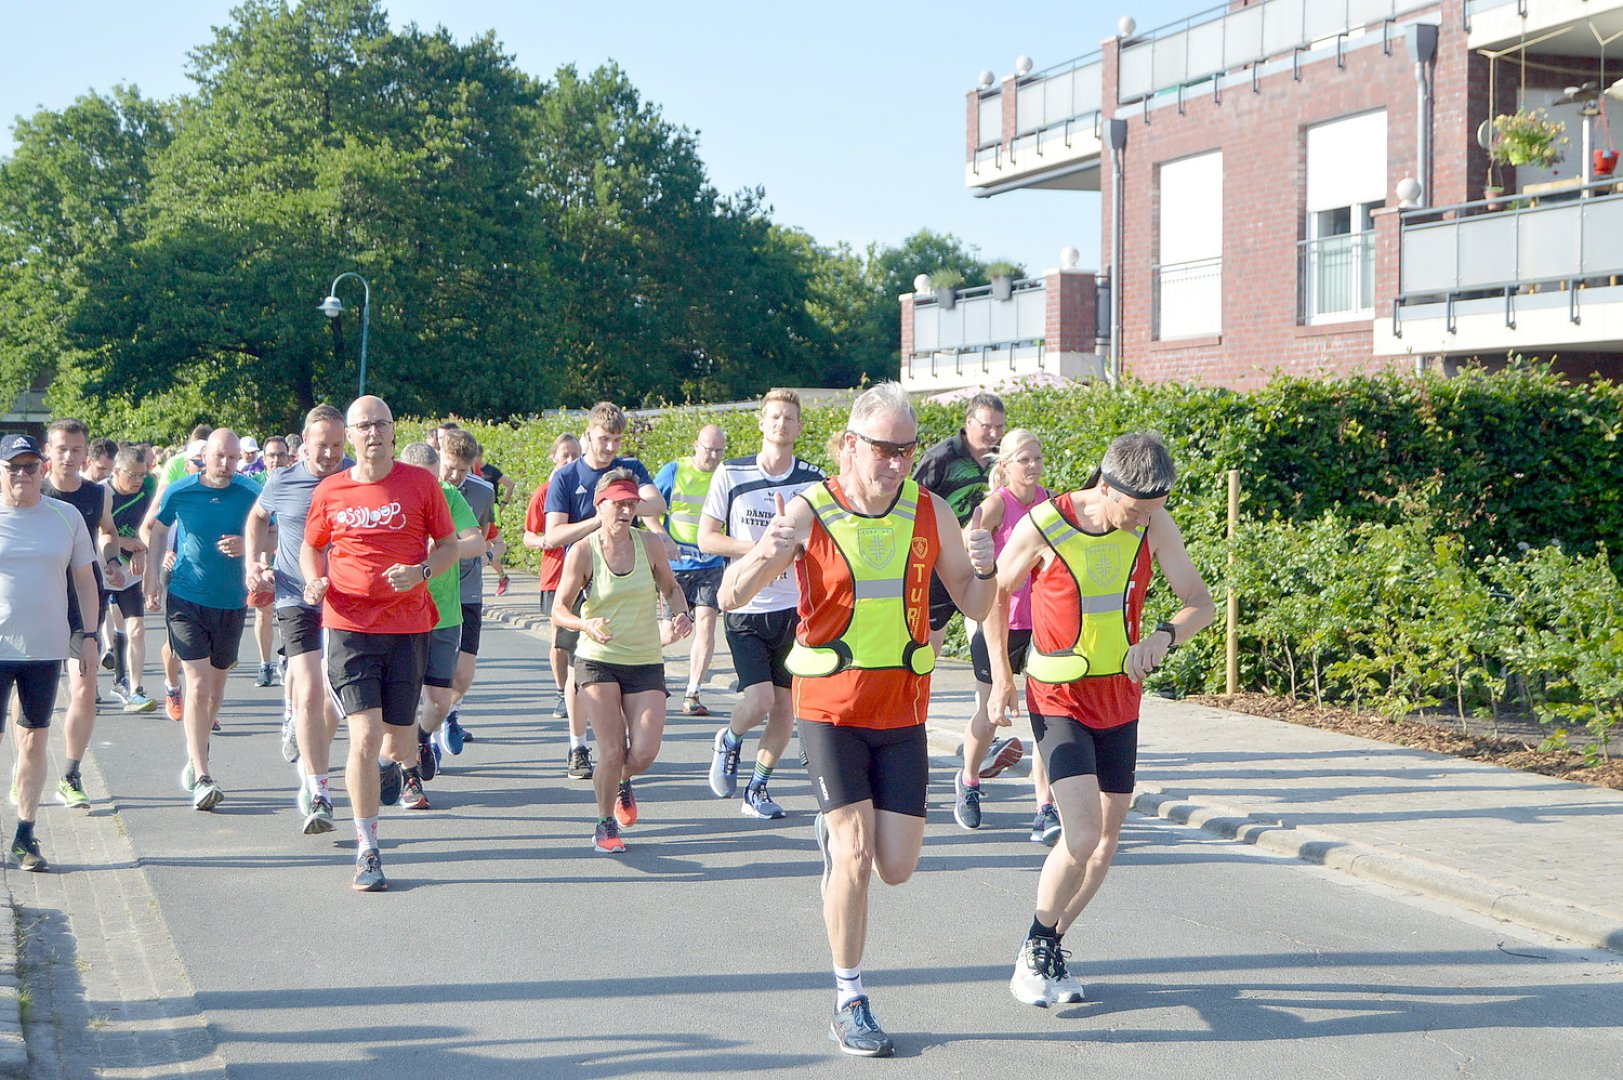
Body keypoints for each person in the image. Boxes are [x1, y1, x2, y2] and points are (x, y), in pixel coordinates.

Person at [719, 382, 996, 1057]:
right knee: (855, 853)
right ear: (848, 445)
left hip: (901, 709)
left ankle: (839, 843)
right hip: (828, 708)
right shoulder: (809, 510)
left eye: (905, 450)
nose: (896, 463)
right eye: (883, 450)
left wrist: (986, 571)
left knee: (895, 867)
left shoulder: (931, 512)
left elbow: (973, 601)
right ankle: (850, 996)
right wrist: (767, 551)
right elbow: (730, 595)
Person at [988, 433, 1215, 1008]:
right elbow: (994, 595)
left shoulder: (1154, 525)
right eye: (1134, 511)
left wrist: (1165, 635)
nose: (1142, 521)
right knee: (1082, 832)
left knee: (1106, 844)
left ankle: (1053, 943)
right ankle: (1036, 946)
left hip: (1121, 699)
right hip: (1057, 696)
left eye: (1152, 512)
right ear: (1105, 487)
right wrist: (1003, 678)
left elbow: (1199, 601)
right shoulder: (1046, 522)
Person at [302, 395, 458, 892]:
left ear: (393, 432)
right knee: (363, 736)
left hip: (408, 625)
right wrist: (313, 581)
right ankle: (368, 848)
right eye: (363, 426)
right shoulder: (331, 490)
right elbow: (312, 545)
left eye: (381, 425)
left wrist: (422, 570)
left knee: (396, 738)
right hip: (349, 627)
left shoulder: (421, 483)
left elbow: (451, 544)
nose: (372, 433)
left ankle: (393, 766)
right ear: (350, 435)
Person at [697, 390, 825, 820]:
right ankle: (730, 739)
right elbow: (706, 537)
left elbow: (822, 541)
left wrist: (796, 549)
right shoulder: (731, 474)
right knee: (759, 701)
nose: (781, 424)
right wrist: (757, 549)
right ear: (761, 423)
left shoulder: (813, 479)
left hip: (795, 608)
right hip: (747, 604)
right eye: (774, 417)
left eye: (790, 418)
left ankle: (758, 787)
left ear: (799, 426)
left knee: (786, 706)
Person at [552, 470, 691, 854]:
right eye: (619, 504)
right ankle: (604, 822)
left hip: (645, 658)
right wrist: (585, 624)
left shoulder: (650, 544)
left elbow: (672, 588)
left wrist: (682, 614)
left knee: (643, 752)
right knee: (612, 750)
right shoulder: (583, 550)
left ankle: (619, 782)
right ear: (601, 505)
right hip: (598, 658)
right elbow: (560, 610)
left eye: (632, 504)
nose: (627, 511)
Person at [541, 404, 673, 778]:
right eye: (604, 439)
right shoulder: (567, 476)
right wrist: (598, 519)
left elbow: (658, 503)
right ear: (587, 436)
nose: (610, 447)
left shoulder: (629, 469)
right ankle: (577, 744)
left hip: (624, 574)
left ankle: (617, 766)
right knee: (575, 668)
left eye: (616, 439)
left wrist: (623, 505)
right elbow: (553, 535)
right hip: (583, 576)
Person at [141, 429, 261, 811]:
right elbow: (157, 530)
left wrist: (250, 546)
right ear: (204, 458)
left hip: (231, 600)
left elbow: (276, 534)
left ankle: (198, 752)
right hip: (186, 596)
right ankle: (203, 775)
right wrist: (153, 574)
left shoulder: (250, 491)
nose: (225, 466)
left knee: (215, 689)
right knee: (197, 682)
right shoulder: (181, 491)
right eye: (219, 458)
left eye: (232, 458)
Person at [246, 404, 351, 835]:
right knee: (308, 689)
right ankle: (318, 791)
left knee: (331, 701)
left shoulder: (355, 478)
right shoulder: (283, 479)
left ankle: (311, 756)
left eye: (337, 445)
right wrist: (252, 561)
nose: (329, 454)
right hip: (294, 596)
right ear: (303, 442)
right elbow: (257, 516)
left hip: (346, 602)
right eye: (321, 444)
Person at [953, 428, 1059, 840]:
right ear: (1007, 465)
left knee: (1046, 720)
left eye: (1037, 459)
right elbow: (968, 547)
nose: (1032, 467)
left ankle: (1044, 809)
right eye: (1024, 460)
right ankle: (969, 780)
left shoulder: (1051, 503)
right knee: (991, 715)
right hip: (998, 624)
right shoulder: (997, 505)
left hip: (1043, 624)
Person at [0, 434, 100, 871]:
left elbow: (84, 581)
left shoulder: (66, 516)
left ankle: (25, 833)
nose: (22, 474)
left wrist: (91, 635)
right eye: (12, 467)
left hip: (45, 648)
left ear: (42, 468)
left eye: (29, 466)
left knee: (35, 739)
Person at [40, 418, 124, 811]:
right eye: (62, 449)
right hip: (37, 599)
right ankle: (28, 759)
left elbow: (106, 530)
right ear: (48, 451)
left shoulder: (96, 495)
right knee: (29, 690)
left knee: (84, 688)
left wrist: (111, 558)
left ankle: (70, 773)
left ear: (86, 454)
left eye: (76, 449)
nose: (69, 457)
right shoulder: (33, 490)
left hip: (83, 600)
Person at [396, 441, 482, 807]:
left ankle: (420, 737)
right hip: (398, 615)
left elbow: (476, 542)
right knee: (400, 701)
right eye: (422, 482)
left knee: (438, 702)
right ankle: (409, 777)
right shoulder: (390, 496)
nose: (430, 489)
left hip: (443, 613)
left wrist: (443, 549)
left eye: (434, 481)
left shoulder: (448, 495)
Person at [913, 392, 1006, 656]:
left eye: (999, 427)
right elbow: (914, 501)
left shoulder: (1002, 460)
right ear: (969, 422)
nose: (993, 433)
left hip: (984, 558)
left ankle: (987, 691)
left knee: (985, 639)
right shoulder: (942, 457)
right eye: (987, 425)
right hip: (941, 558)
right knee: (930, 641)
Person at [436, 428, 503, 755]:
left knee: (463, 672)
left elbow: (495, 539)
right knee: (428, 669)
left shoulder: (482, 492)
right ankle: (426, 728)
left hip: (467, 590)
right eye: (449, 467)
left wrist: (488, 551)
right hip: (429, 588)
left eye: (463, 470)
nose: (454, 475)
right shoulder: (424, 487)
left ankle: (450, 712)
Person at [654, 425, 727, 716]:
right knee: (673, 632)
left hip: (711, 563)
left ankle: (693, 692)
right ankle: (642, 656)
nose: (712, 455)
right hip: (676, 566)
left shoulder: (725, 477)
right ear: (696, 445)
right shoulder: (673, 471)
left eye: (718, 451)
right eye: (707, 448)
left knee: (707, 623)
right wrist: (663, 537)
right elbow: (647, 510)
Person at [524, 433, 587, 764]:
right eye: (564, 454)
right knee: (560, 641)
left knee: (581, 644)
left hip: (585, 577)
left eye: (575, 454)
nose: (569, 459)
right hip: (554, 575)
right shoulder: (545, 492)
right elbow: (528, 535)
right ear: (553, 457)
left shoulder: (589, 487)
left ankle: (578, 694)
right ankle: (562, 691)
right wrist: (546, 541)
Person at [103, 444, 158, 713]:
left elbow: (153, 530)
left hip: (131, 574)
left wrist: (142, 550)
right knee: (103, 628)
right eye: (132, 475)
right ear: (116, 471)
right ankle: (109, 679)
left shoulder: (148, 489)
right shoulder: (101, 493)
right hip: (101, 569)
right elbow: (95, 534)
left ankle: (135, 689)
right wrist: (129, 544)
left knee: (136, 628)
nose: (138, 480)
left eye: (142, 474)